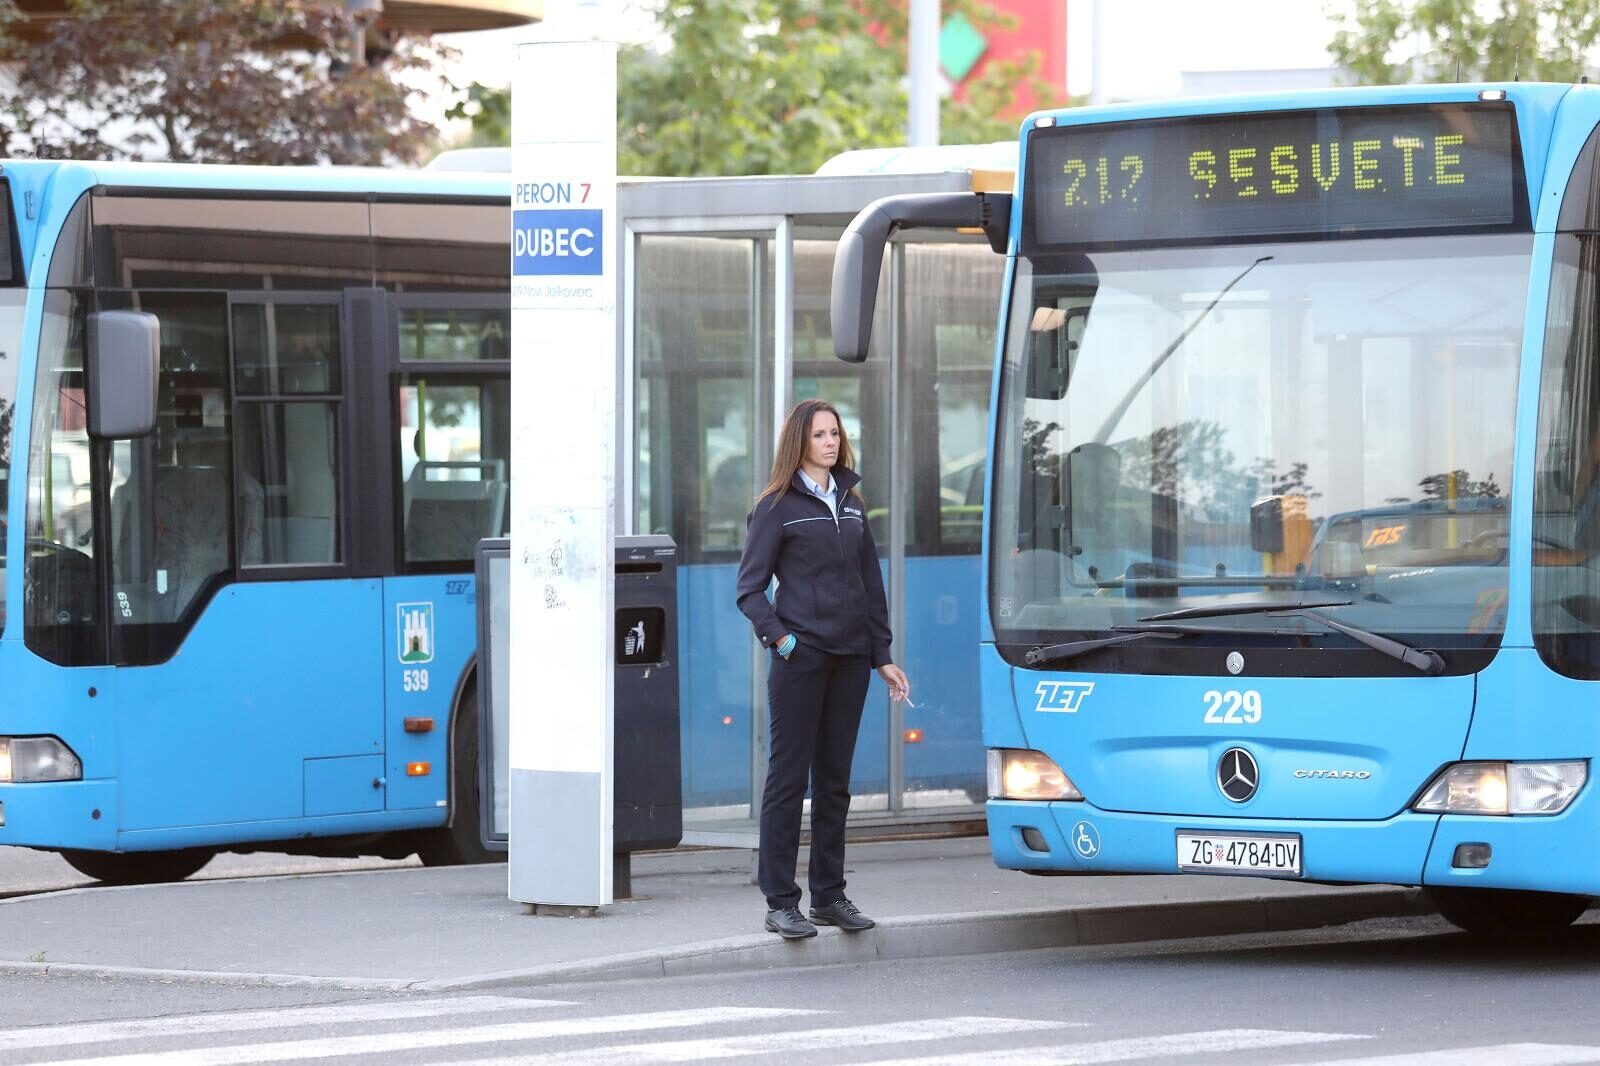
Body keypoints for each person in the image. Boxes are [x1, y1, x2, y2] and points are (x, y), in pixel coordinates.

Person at [735, 398, 911, 940]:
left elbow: (870, 586)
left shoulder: (851, 504)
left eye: (835, 433)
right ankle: (780, 901)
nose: (831, 442)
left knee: (835, 783)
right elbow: (749, 590)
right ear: (799, 442)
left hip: (852, 658)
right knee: (788, 780)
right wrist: (783, 641)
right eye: (819, 435)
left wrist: (881, 654)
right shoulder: (776, 506)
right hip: (802, 658)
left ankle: (829, 896)